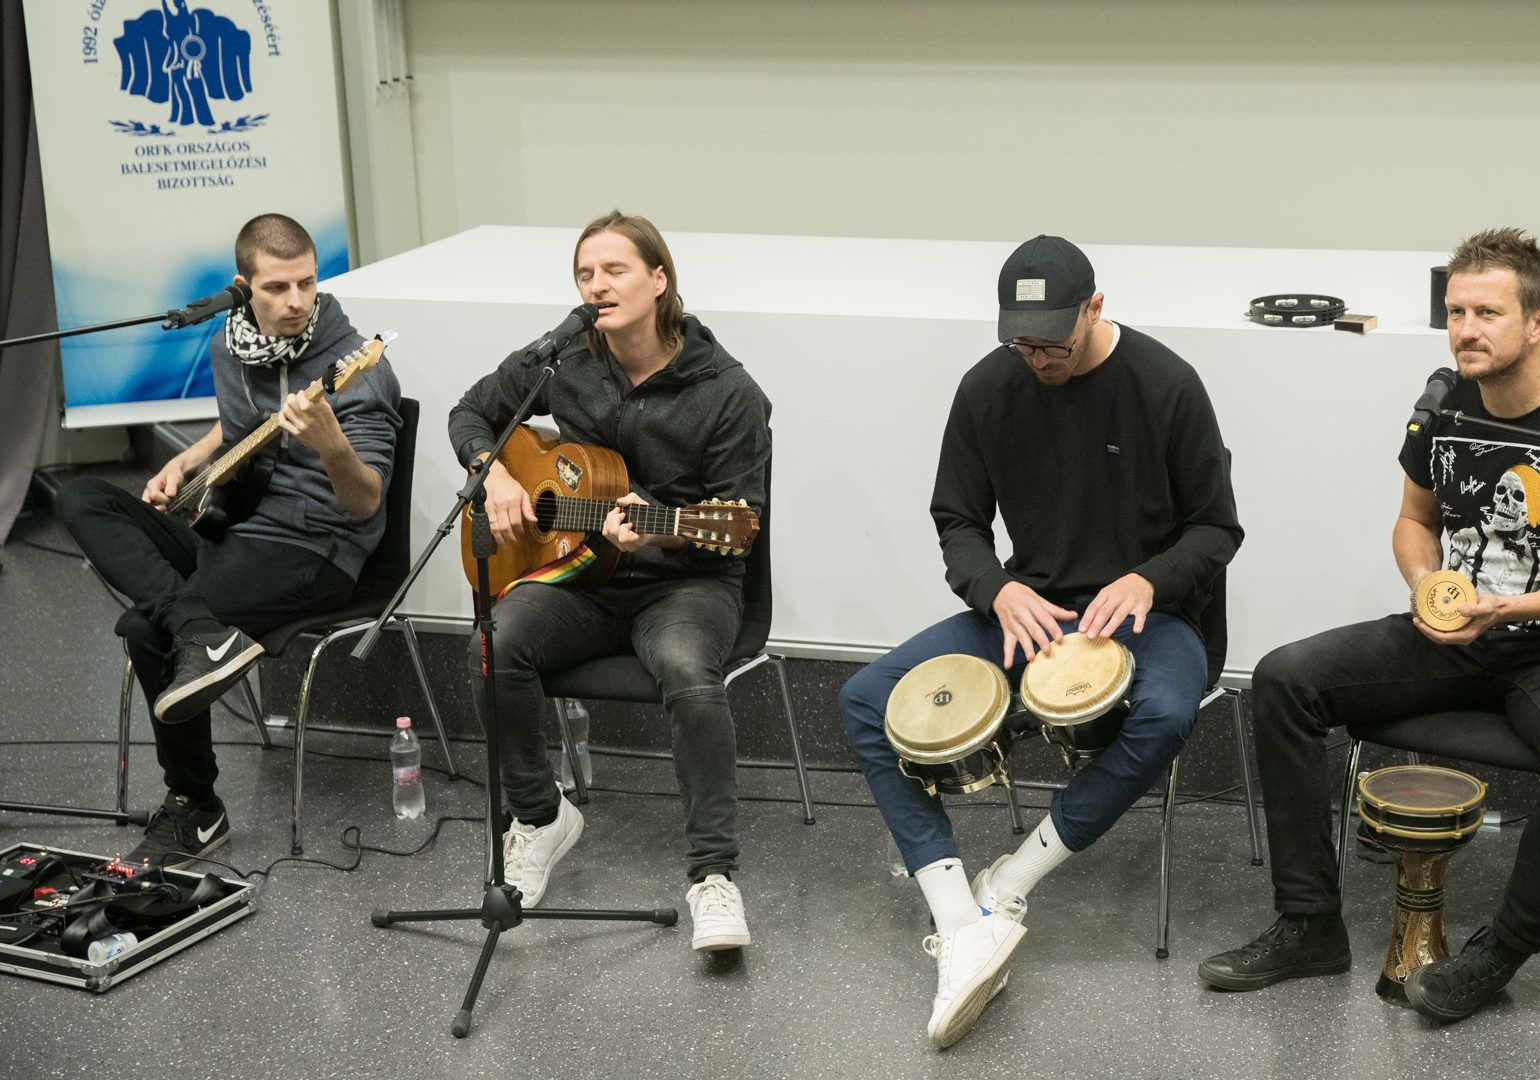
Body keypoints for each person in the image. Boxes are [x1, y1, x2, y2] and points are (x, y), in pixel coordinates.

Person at [1200, 227, 1540, 1023]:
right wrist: (1428, 588)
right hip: (1457, 631)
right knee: (1284, 679)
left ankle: (1501, 951)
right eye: (1455, 311)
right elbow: (1413, 523)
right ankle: (1310, 923)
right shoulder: (1444, 405)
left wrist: (1511, 606)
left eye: (1487, 312)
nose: (1465, 330)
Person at [838, 235, 1242, 1047]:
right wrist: (999, 588)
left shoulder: (1167, 385)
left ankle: (1011, 884)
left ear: (1096, 307)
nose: (1037, 359)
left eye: (1052, 342)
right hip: (1032, 609)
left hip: (1151, 618)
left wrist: (1149, 580)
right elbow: (956, 519)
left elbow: (1217, 528)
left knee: (1163, 715)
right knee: (863, 699)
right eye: (1022, 343)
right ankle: (959, 919)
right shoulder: (989, 388)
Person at [447, 211, 770, 953]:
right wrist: (493, 473)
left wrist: (660, 521)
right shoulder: (564, 362)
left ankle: (714, 877)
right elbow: (472, 412)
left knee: (690, 670)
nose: (598, 285)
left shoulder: (729, 392)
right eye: (586, 274)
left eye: (615, 270)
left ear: (659, 280)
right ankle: (539, 815)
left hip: (686, 581)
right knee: (494, 643)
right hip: (586, 572)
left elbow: (741, 520)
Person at [58, 213, 402, 865]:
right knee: (80, 497)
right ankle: (199, 628)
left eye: (306, 283)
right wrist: (187, 463)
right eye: (276, 287)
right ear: (242, 287)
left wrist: (330, 445)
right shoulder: (230, 344)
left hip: (316, 550)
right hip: (235, 529)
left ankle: (197, 809)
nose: (296, 301)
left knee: (144, 628)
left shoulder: (357, 371)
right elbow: (241, 424)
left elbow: (364, 504)